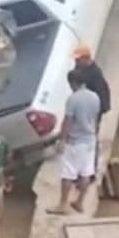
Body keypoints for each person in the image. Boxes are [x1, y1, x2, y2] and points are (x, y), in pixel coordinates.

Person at [48, 70, 100, 215]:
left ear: (73, 83)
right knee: (86, 173)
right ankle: (79, 202)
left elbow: (68, 122)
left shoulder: (73, 99)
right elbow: (95, 118)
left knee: (68, 173)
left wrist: (62, 140)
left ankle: (63, 205)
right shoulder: (95, 97)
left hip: (75, 142)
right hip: (90, 140)